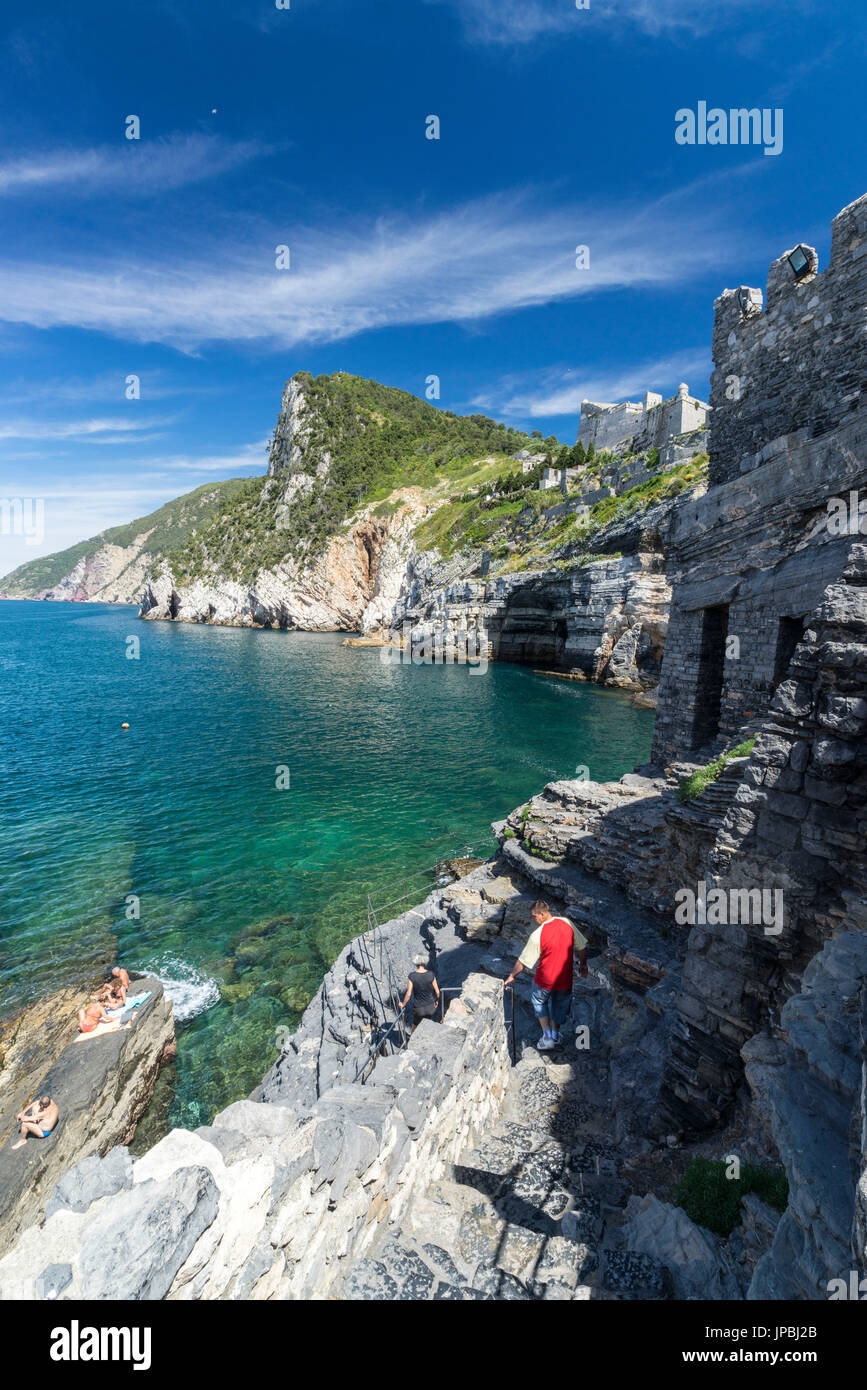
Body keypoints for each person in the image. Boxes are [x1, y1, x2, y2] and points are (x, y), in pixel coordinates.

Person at [504, 899, 589, 1051]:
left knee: (539, 1001)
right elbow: (582, 946)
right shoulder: (567, 923)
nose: (533, 919)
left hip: (545, 979)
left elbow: (523, 962)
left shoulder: (538, 934)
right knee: (560, 1005)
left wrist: (512, 975)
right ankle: (556, 1035)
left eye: (534, 916)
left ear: (542, 914)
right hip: (565, 977)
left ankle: (547, 1037)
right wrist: (583, 964)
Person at [401, 953, 440, 1033]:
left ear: (415, 962)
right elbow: (437, 991)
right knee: (427, 1024)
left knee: (415, 1026)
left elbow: (408, 994)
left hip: (419, 1008)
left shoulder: (412, 976)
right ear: (425, 962)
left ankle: (412, 1041)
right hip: (430, 1006)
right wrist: (436, 1001)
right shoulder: (431, 974)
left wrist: (403, 1004)